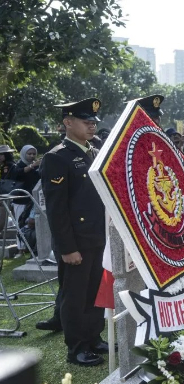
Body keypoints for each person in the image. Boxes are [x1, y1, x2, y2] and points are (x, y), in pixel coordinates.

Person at [40, 97, 107, 366]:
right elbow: (57, 210)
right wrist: (67, 248)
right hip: (76, 241)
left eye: (93, 122)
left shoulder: (94, 150)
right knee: (75, 295)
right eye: (85, 121)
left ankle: (93, 337)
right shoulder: (57, 158)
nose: (91, 126)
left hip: (97, 236)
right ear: (67, 122)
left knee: (95, 291)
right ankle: (77, 347)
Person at [12, 145, 41, 257]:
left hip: (32, 199)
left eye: (34, 154)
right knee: (20, 223)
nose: (32, 156)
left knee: (31, 223)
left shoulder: (36, 165)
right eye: (29, 154)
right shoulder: (19, 165)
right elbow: (18, 173)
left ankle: (30, 246)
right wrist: (32, 166)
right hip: (20, 199)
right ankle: (20, 249)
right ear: (24, 154)